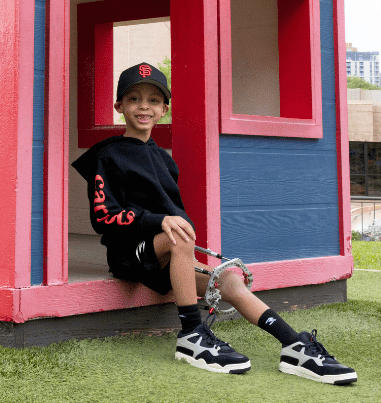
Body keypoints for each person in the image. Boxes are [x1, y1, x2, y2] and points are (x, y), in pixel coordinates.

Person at [71, 62, 357, 385]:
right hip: (130, 254)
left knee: (231, 281)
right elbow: (103, 217)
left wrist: (176, 233)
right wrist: (158, 221)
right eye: (134, 98)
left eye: (153, 101)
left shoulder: (165, 160)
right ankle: (191, 335)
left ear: (164, 109)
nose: (144, 107)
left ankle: (294, 346)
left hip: (167, 256)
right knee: (179, 234)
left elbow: (174, 215)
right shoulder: (108, 156)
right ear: (119, 106)